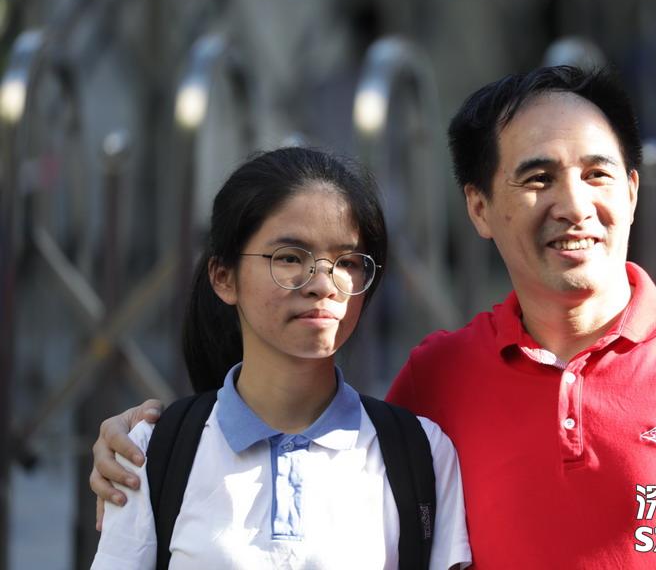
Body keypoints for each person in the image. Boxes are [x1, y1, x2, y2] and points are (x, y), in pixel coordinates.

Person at [92, 68, 656, 569]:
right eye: (538, 177)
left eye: (597, 174)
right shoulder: (439, 379)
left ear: (633, 192)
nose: (574, 205)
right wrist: (147, 444)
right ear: (479, 207)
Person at [90, 147, 471, 569]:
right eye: (290, 257)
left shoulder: (422, 453)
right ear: (224, 277)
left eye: (347, 262)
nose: (324, 284)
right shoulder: (151, 451)